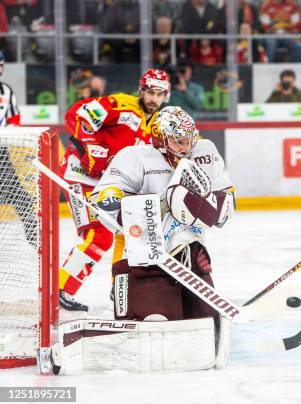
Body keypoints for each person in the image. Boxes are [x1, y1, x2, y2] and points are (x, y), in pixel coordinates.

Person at [90, 105, 235, 322]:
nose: (186, 147)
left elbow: (227, 199)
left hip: (192, 257)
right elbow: (102, 201)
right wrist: (159, 206)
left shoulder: (204, 152)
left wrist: (211, 208)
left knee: (205, 321)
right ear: (160, 139)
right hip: (142, 260)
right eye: (178, 141)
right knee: (154, 323)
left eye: (189, 139)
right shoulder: (135, 156)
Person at [57, 68, 171, 312]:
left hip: (103, 183)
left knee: (125, 231)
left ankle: (120, 285)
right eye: (150, 92)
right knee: (99, 235)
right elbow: (77, 115)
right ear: (141, 90)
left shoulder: (154, 127)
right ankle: (60, 288)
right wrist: (91, 148)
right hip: (78, 176)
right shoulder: (122, 105)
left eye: (160, 94)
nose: (154, 98)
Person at [0, 50, 38, 248]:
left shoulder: (6, 91)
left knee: (21, 197)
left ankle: (36, 240)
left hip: (1, 153)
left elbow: (14, 120)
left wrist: (10, 133)